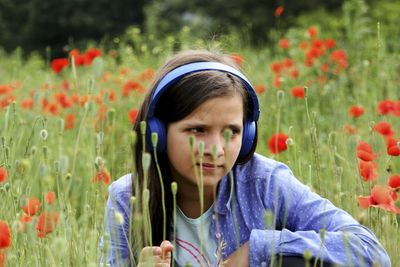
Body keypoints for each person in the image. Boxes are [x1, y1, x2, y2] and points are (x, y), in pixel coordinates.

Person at [100, 50, 391, 267]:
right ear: (157, 132)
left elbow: (370, 251)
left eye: (232, 132)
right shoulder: (128, 199)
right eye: (198, 130)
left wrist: (259, 248)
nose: (216, 149)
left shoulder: (266, 183)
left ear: (248, 134)